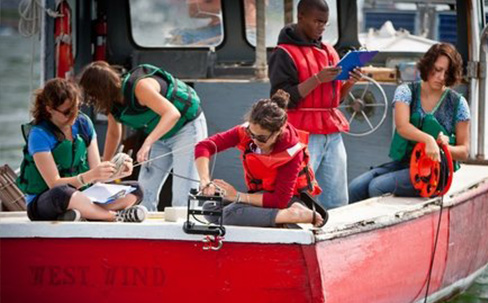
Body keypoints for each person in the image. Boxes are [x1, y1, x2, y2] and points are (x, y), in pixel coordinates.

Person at [268, 0, 362, 210]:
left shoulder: (330, 51)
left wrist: (351, 82)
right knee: (298, 195)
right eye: (317, 21)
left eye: (325, 23)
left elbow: (335, 100)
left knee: (337, 199)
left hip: (332, 133)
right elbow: (280, 100)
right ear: (301, 17)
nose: (321, 27)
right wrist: (317, 79)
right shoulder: (283, 53)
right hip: (301, 134)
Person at [348, 43, 471, 202]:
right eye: (437, 70)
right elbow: (402, 127)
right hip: (405, 163)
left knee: (376, 187)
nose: (441, 77)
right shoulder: (406, 91)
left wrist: (444, 148)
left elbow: (464, 151)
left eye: (447, 73)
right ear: (427, 66)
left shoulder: (459, 103)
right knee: (356, 187)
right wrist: (429, 140)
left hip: (433, 174)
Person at [79, 61, 208, 211]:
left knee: (183, 194)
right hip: (160, 134)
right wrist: (105, 167)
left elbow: (172, 113)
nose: (94, 101)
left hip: (186, 128)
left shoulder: (140, 87)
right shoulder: (113, 103)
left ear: (102, 90)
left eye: (94, 95)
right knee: (144, 191)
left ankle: (183, 231)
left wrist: (147, 143)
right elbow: (114, 133)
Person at [16, 78, 146, 222]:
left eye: (76, 109)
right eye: (67, 112)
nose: (73, 117)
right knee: (62, 193)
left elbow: (97, 175)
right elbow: (54, 183)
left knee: (136, 189)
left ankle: (83, 213)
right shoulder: (39, 135)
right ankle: (113, 216)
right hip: (49, 200)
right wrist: (88, 177)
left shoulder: (84, 124)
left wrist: (118, 171)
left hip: (83, 195)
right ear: (49, 109)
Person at [195, 90, 324, 227]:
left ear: (278, 132)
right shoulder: (248, 131)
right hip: (260, 196)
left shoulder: (292, 152)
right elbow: (205, 146)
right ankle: (274, 219)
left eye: (261, 138)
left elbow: (279, 200)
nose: (254, 139)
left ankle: (293, 214)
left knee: (230, 213)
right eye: (251, 133)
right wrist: (204, 179)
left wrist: (237, 196)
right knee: (211, 208)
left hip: (286, 201)